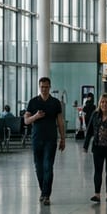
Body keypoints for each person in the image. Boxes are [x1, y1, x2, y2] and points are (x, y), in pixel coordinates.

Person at [24, 77, 66, 206]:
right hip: (37, 138)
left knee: (48, 166)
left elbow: (60, 121)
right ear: (39, 87)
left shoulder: (55, 103)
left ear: (50, 87)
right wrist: (35, 116)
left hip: (50, 139)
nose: (44, 89)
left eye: (46, 87)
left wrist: (63, 138)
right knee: (39, 167)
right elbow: (26, 121)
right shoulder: (33, 102)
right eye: (42, 87)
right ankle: (43, 191)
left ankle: (46, 195)